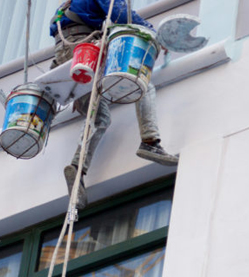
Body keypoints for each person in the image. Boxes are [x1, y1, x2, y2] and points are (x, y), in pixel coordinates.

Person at [49, 0, 179, 208]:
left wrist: (75, 87)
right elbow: (121, 14)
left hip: (72, 60)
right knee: (140, 82)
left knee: (100, 118)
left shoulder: (66, 6)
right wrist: (154, 34)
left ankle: (78, 167)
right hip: (85, 50)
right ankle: (150, 142)